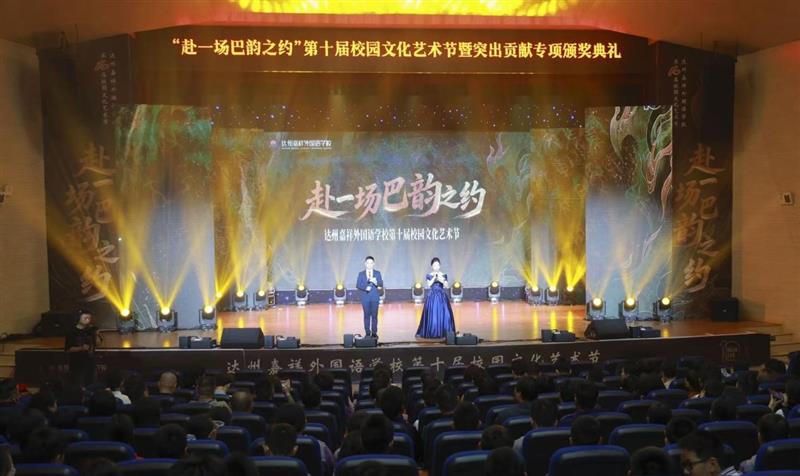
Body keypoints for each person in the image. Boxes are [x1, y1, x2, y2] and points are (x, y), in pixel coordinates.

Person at [416, 257, 456, 339]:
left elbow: (446, 286)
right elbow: (429, 285)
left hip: (442, 296)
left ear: (440, 266)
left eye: (437, 265)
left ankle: (445, 332)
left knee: (445, 314)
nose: (436, 267)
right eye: (434, 265)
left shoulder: (444, 275)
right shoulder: (429, 275)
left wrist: (441, 279)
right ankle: (432, 332)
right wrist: (434, 277)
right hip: (432, 296)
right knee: (433, 314)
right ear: (432, 266)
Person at [64, 310, 100, 386]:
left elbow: (98, 343)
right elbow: (67, 349)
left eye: (89, 318)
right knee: (78, 384)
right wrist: (81, 348)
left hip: (91, 362)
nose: (88, 320)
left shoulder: (91, 329)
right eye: (85, 318)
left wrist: (96, 334)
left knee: (91, 384)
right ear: (79, 318)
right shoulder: (71, 331)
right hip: (77, 363)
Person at [356, 256, 383, 338]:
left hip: (375, 297)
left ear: (373, 264)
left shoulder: (377, 273)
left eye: (371, 263)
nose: (369, 264)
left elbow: (381, 284)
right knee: (366, 315)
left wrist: (376, 283)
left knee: (374, 316)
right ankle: (367, 332)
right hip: (365, 298)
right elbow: (358, 285)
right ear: (365, 264)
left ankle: (374, 332)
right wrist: (366, 287)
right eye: (368, 263)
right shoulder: (361, 274)